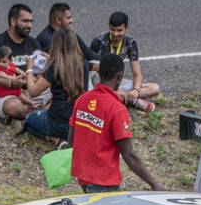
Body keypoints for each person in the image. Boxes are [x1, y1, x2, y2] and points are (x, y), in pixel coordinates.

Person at [67, 53, 164, 193]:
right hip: (104, 181)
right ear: (119, 76)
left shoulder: (82, 99)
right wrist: (154, 184)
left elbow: (71, 140)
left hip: (82, 177)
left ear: (99, 73)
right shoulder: (117, 109)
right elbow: (129, 154)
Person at [0, 3, 51, 133]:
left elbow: (40, 72)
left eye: (31, 21)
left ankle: (27, 119)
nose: (29, 25)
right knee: (14, 106)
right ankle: (40, 117)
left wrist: (40, 76)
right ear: (13, 21)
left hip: (31, 91)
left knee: (63, 95)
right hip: (6, 94)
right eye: (25, 21)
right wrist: (10, 83)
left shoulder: (33, 43)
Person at [26, 29, 91, 148]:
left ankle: (56, 139)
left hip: (58, 122)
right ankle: (66, 138)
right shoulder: (83, 63)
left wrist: (29, 69)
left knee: (29, 120)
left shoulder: (55, 67)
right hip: (78, 122)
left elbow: (33, 91)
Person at [90, 12, 160, 112]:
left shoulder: (130, 42)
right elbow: (93, 69)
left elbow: (137, 74)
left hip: (117, 81)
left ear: (127, 28)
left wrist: (135, 90)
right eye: (112, 30)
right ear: (109, 26)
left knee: (154, 88)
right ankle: (129, 100)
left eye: (119, 30)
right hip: (101, 81)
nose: (115, 34)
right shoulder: (98, 42)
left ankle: (121, 97)